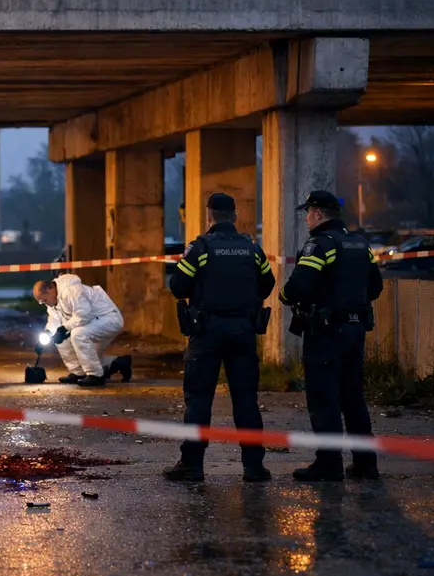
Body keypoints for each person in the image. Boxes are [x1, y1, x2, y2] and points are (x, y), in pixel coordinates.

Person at [163, 193, 276, 482]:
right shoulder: (251, 249)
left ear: (208, 216)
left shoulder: (199, 248)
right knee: (246, 400)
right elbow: (268, 283)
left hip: (207, 333)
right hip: (243, 331)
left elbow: (178, 286)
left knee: (199, 400)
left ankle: (192, 465)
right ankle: (254, 467)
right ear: (234, 217)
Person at [279, 190, 384, 481]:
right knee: (353, 399)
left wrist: (284, 295)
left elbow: (297, 287)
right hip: (354, 331)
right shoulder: (360, 244)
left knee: (324, 400)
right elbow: (375, 287)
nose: (306, 218)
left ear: (318, 214)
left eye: (307, 213)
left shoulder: (320, 245)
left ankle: (328, 464)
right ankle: (366, 464)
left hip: (326, 334)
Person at [32, 276, 131, 387]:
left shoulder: (71, 291)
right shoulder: (53, 302)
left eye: (44, 300)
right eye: (42, 302)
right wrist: (48, 333)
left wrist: (65, 328)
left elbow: (84, 315)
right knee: (62, 340)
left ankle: (96, 376)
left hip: (109, 319)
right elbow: (55, 320)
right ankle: (79, 372)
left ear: (50, 290)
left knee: (78, 335)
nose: (46, 304)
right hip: (91, 323)